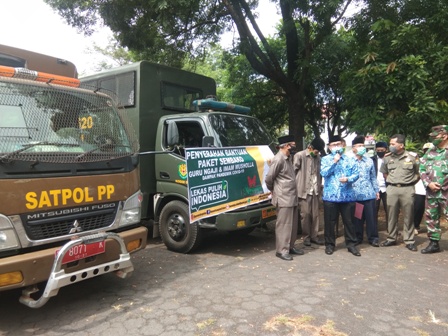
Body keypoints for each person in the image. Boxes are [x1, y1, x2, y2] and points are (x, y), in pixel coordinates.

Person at [320, 135, 361, 256]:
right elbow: (324, 173)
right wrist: (334, 161)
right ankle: (329, 244)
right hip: (330, 196)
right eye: (334, 144)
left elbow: (356, 174)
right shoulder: (326, 159)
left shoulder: (350, 159)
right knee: (330, 222)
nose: (337, 146)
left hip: (347, 196)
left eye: (339, 144)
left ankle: (351, 244)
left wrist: (348, 179)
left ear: (343, 145)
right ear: (329, 147)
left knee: (349, 222)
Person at [265, 135, 304, 261]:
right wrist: (274, 190)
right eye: (293, 144)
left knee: (292, 225)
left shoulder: (288, 158)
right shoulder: (279, 159)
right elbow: (269, 178)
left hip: (291, 197)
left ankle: (290, 247)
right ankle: (281, 250)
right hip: (283, 198)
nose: (294, 146)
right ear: (286, 145)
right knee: (284, 225)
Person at [380, 134, 420, 251]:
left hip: (407, 189)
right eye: (390, 143)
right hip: (392, 189)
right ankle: (391, 238)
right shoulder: (387, 158)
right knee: (391, 215)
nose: (390, 146)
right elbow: (385, 173)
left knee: (408, 215)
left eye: (393, 144)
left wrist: (409, 183)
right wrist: (392, 182)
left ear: (401, 145)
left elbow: (418, 173)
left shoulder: (412, 157)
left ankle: (409, 240)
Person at [419, 125, 448, 254]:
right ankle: (434, 243)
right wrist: (429, 183)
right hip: (431, 192)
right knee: (431, 217)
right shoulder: (430, 152)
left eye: (435, 136)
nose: (433, 138)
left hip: (446, 192)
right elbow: (422, 169)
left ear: (445, 136)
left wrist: (443, 185)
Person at [293, 137, 325, 247]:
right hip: (303, 191)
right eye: (316, 151)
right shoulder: (299, 156)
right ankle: (306, 237)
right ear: (310, 147)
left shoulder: (318, 157)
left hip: (315, 190)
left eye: (319, 152)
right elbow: (293, 173)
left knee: (315, 215)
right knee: (305, 215)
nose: (317, 153)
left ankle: (314, 236)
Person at [351, 135, 380, 247]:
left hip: (369, 195)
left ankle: (373, 238)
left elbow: (373, 177)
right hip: (356, 195)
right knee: (358, 218)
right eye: (359, 146)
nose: (362, 147)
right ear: (353, 148)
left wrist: (376, 190)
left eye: (363, 145)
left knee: (371, 218)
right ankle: (358, 237)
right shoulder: (349, 161)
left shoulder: (369, 161)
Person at [413, 143, 433, 234]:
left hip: (433, 189)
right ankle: (415, 226)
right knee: (418, 208)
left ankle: (432, 228)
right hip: (420, 189)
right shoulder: (419, 161)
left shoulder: (437, 161)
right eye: (426, 150)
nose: (427, 151)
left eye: (429, 149)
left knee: (432, 209)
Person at [371, 141, 388, 228]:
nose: (380, 152)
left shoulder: (390, 159)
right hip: (375, 188)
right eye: (378, 150)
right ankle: (374, 229)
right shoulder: (372, 160)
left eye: (382, 150)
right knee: (374, 210)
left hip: (387, 188)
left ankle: (391, 229)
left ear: (386, 150)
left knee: (389, 210)